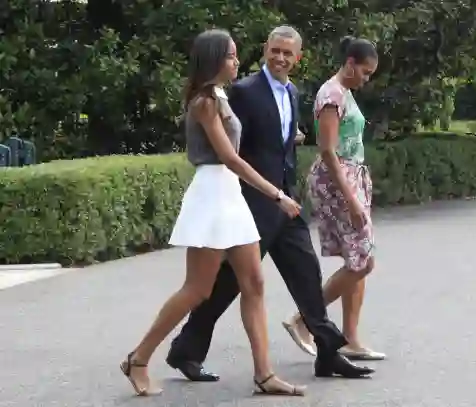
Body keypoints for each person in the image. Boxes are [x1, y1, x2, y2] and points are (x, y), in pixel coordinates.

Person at [165, 25, 375, 382]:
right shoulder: (243, 91)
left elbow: (278, 143)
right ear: (265, 49)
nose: (280, 58)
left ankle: (328, 353)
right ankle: (186, 350)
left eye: (287, 53)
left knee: (307, 275)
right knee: (228, 284)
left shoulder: (292, 91)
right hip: (253, 202)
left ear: (298, 58)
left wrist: (287, 167)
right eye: (274, 50)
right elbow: (230, 146)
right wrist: (265, 191)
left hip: (285, 199)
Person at [119, 28, 306, 397]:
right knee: (197, 289)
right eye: (232, 56)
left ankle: (264, 375)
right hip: (213, 195)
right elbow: (230, 158)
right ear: (214, 60)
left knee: (254, 283)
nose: (238, 61)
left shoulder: (221, 95)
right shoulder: (205, 101)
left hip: (229, 196)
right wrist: (276, 194)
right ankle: (138, 359)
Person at [283, 36, 385, 361]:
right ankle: (303, 318)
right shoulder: (331, 95)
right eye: (365, 72)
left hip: (352, 178)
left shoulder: (346, 93)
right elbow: (328, 151)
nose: (366, 79)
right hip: (336, 182)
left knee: (355, 260)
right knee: (363, 262)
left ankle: (350, 339)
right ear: (351, 63)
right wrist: (352, 199)